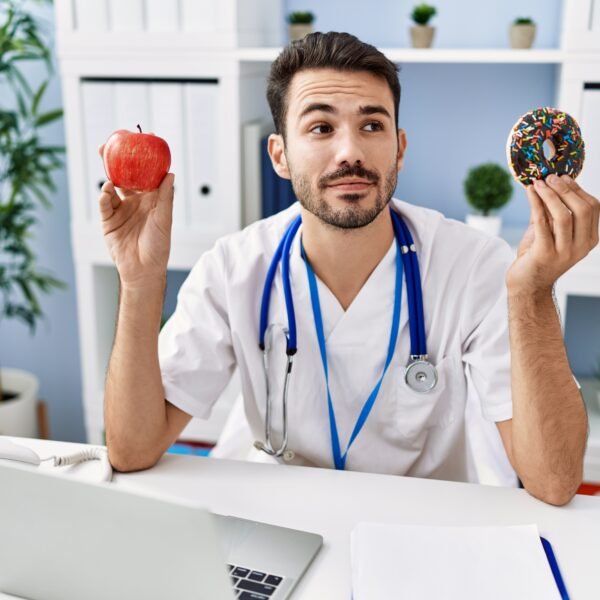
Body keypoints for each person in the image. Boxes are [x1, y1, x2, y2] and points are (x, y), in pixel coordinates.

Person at [97, 32, 598, 505]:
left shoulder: (475, 266)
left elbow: (553, 481)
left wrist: (533, 292)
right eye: (320, 127)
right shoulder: (233, 268)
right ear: (280, 156)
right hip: (279, 516)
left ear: (399, 148)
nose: (351, 152)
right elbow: (131, 450)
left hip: (423, 532)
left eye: (372, 125)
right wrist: (140, 283)